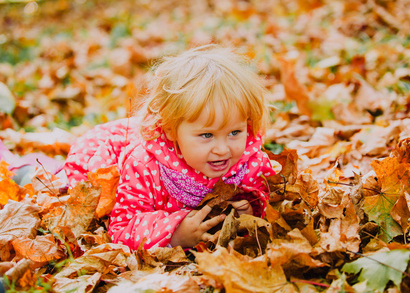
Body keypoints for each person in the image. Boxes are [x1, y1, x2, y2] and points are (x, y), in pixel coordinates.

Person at [63, 45, 276, 250]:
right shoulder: (144, 167)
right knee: (68, 189)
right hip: (112, 151)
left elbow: (267, 197)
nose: (222, 149)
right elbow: (121, 228)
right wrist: (175, 234)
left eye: (234, 132)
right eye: (207, 135)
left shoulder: (250, 160)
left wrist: (252, 210)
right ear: (171, 129)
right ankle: (32, 168)